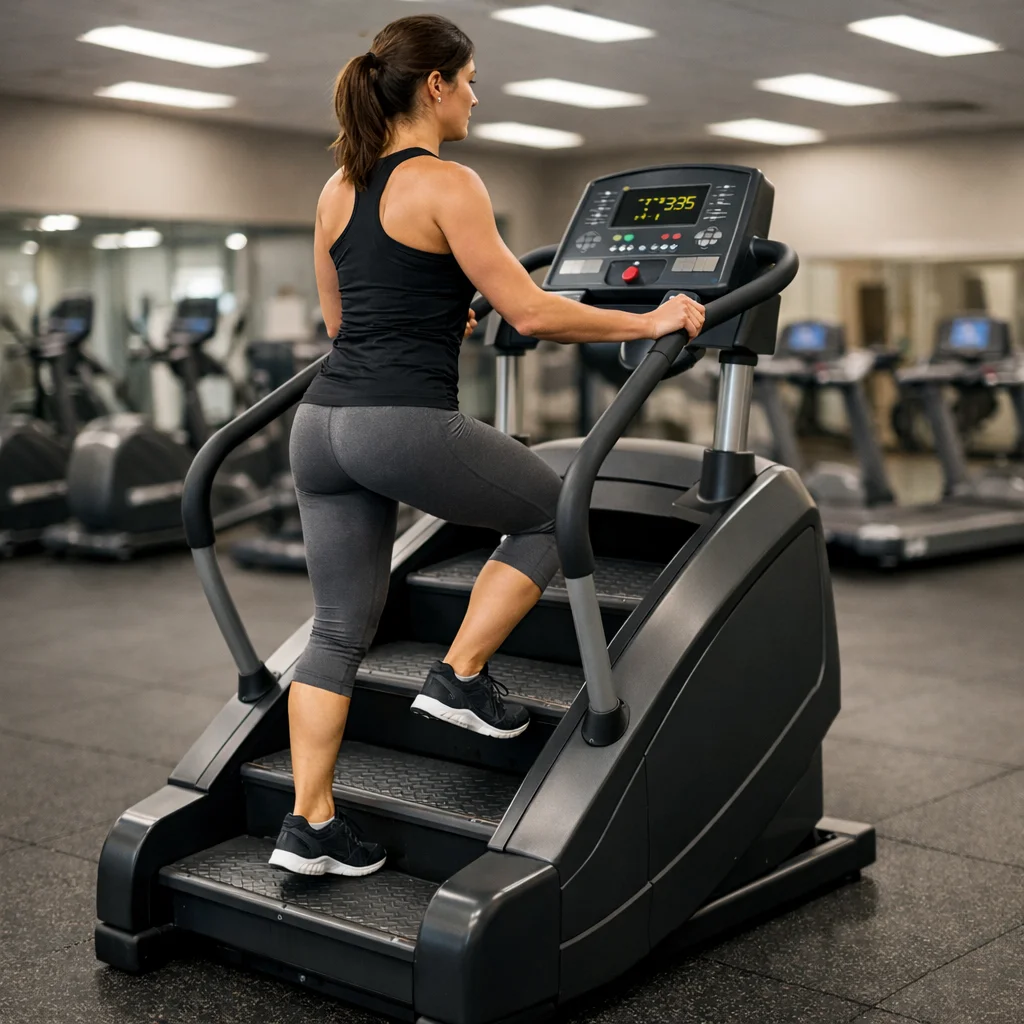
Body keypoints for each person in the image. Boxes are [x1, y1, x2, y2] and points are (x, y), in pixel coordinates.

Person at [269, 13, 705, 878]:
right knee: (555, 510)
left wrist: (438, 310)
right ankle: (459, 675)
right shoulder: (448, 182)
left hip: (320, 428)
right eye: (468, 79)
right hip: (398, 420)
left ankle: (309, 824)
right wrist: (651, 318)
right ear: (434, 85)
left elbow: (342, 323)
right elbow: (533, 311)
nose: (475, 94)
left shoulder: (337, 187)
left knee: (336, 630)